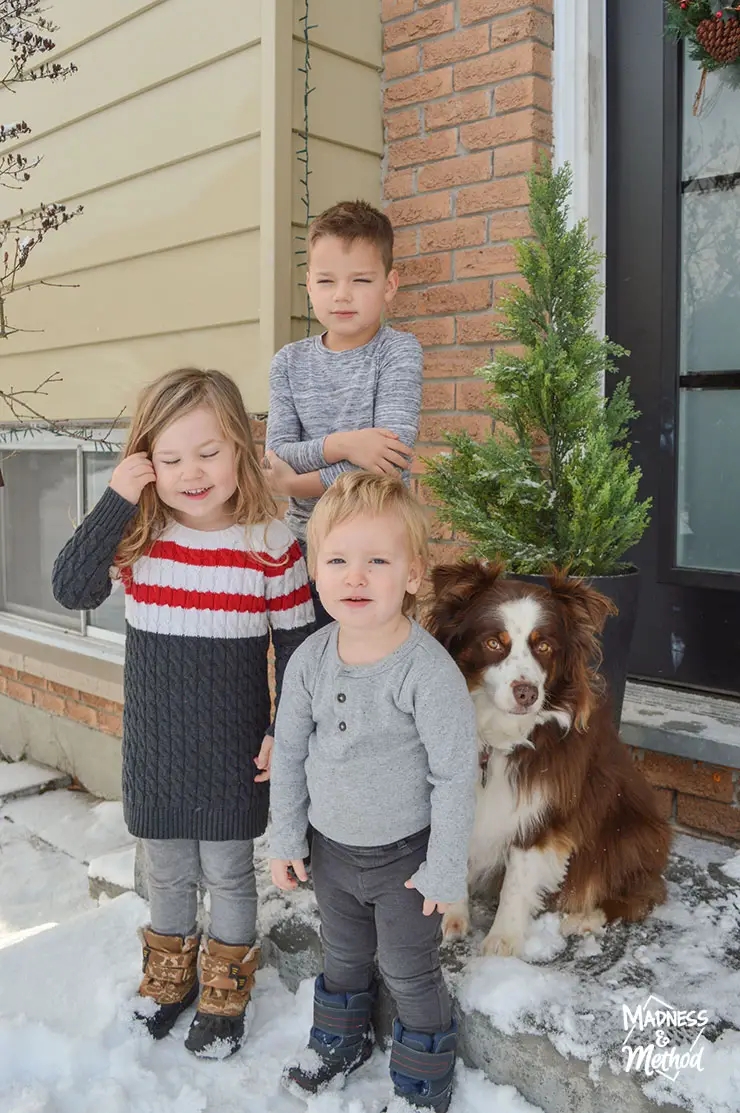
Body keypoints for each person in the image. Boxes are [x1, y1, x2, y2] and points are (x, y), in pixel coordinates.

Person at [52, 368, 314, 1059]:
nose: (190, 472)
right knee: (167, 872)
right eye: (169, 459)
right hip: (158, 752)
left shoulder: (270, 543)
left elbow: (300, 645)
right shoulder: (141, 535)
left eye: (208, 453)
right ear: (146, 463)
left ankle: (225, 985)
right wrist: (117, 496)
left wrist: (281, 728)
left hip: (233, 754)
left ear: (240, 449)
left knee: (229, 873)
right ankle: (169, 978)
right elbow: (70, 586)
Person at [268, 472, 478, 1112]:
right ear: (315, 570)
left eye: (377, 561)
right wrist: (285, 837)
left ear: (413, 574)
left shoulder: (426, 672)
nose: (355, 577)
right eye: (338, 560)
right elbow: (290, 751)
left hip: (406, 862)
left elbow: (455, 774)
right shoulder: (308, 658)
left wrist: (444, 869)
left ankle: (422, 1074)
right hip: (331, 851)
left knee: (410, 971)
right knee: (343, 955)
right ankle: (339, 1042)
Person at [264, 199, 423, 628]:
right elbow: (277, 452)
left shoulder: (397, 352)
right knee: (305, 665)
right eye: (327, 281)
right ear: (310, 287)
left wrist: (295, 482)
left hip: (379, 554)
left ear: (389, 285)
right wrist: (346, 444)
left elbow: (387, 463)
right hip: (303, 550)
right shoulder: (289, 362)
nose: (342, 295)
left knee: (375, 666)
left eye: (361, 280)